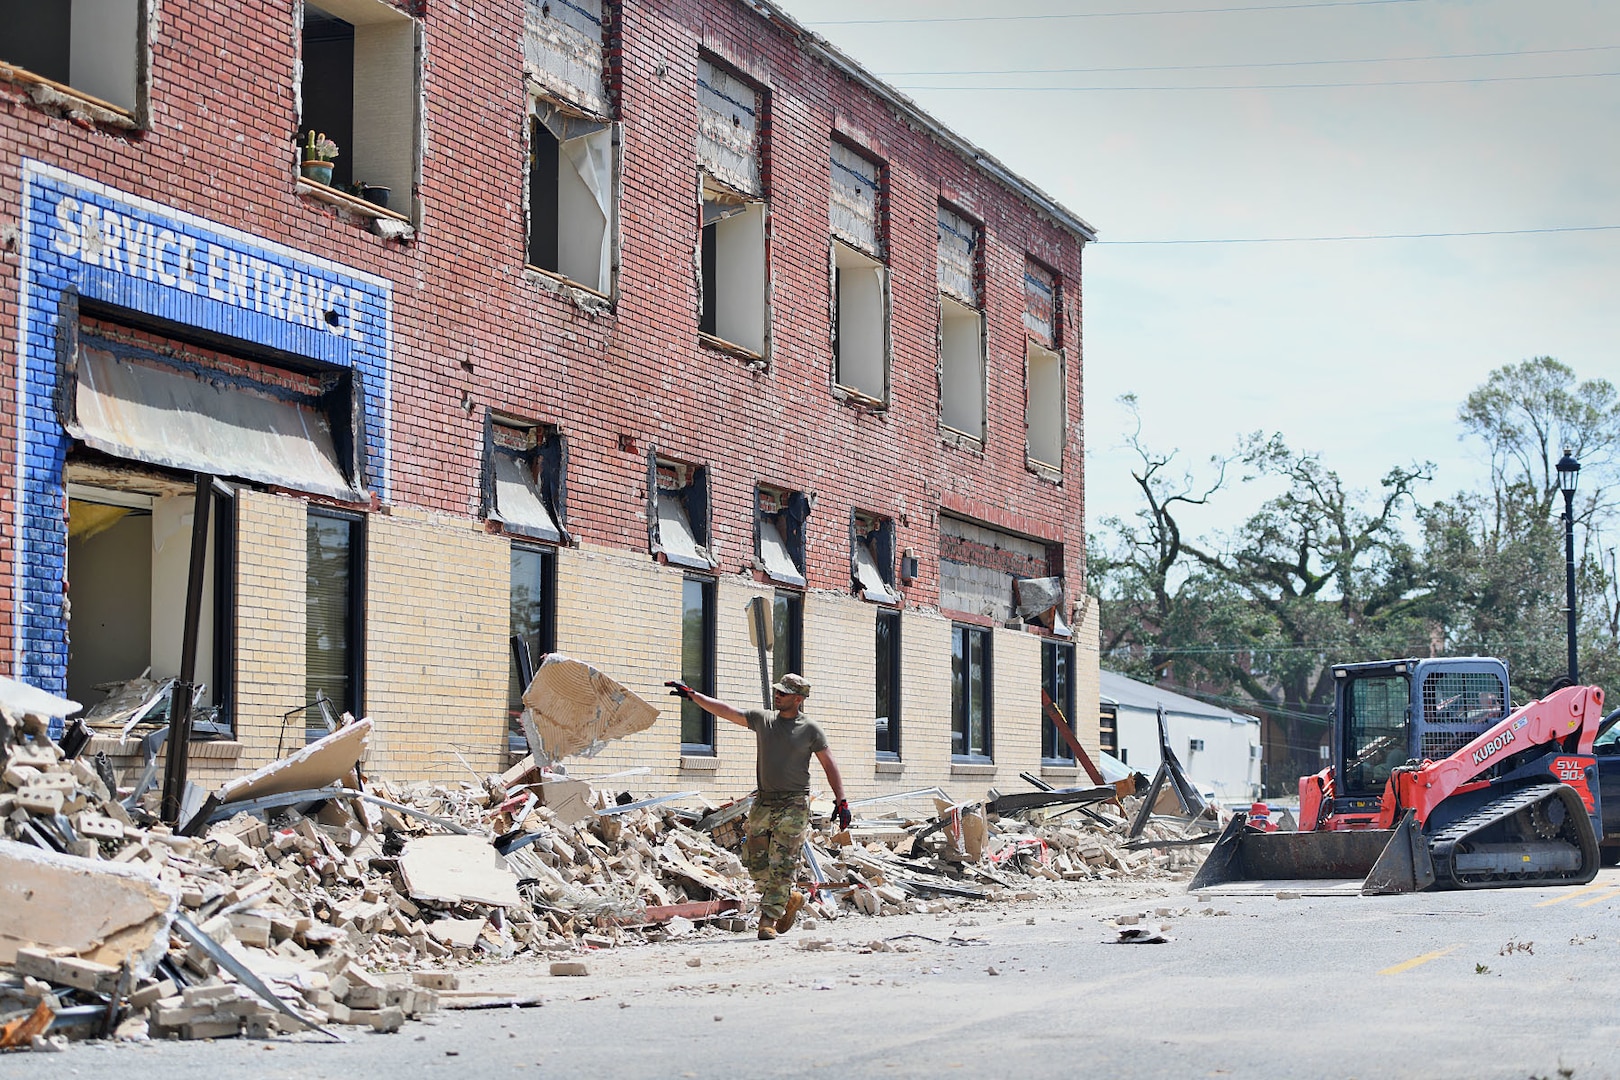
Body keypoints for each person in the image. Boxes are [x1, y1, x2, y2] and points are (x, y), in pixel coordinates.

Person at [664, 673, 850, 941]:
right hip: (764, 801)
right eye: (777, 691)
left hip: (794, 803)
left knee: (783, 863)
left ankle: (768, 919)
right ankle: (788, 899)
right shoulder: (764, 721)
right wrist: (693, 696)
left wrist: (841, 801)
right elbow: (727, 711)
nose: (777, 695)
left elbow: (829, 764)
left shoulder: (810, 729)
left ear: (798, 699)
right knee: (755, 860)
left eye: (783, 693)